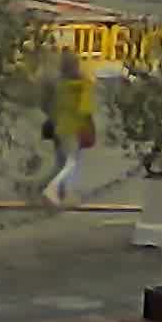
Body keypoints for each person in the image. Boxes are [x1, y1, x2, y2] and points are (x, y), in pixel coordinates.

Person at [38, 50, 100, 207]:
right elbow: (86, 109)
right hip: (75, 127)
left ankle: (53, 192)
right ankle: (56, 192)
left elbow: (49, 105)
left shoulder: (58, 84)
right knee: (72, 163)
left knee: (61, 162)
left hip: (58, 127)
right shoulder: (83, 85)